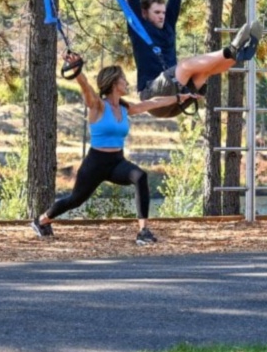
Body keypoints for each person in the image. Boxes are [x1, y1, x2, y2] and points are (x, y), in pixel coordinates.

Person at [32, 55, 200, 245]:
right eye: (123, 79)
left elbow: (154, 102)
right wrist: (76, 69)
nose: (127, 83)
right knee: (75, 200)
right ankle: (42, 221)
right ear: (113, 83)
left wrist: (179, 98)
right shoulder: (97, 106)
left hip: (117, 162)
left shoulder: (125, 108)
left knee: (140, 177)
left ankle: (143, 231)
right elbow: (86, 87)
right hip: (95, 163)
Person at [121, 0, 262, 118]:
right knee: (186, 65)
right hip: (152, 96)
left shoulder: (168, 25)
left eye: (163, 12)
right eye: (157, 12)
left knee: (205, 71)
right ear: (144, 13)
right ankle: (231, 50)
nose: (162, 16)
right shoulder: (138, 28)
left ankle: (238, 55)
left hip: (177, 100)